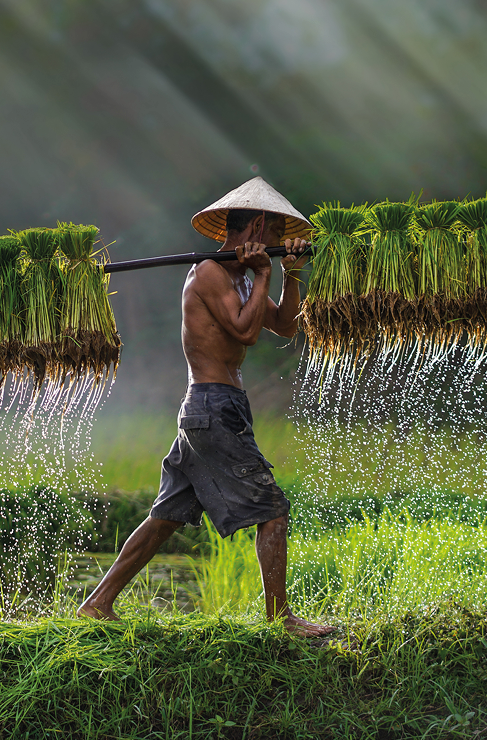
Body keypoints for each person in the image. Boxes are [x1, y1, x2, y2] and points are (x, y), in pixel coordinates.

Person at [78, 177, 334, 638]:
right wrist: (264, 275)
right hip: (213, 408)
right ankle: (281, 620)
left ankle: (97, 603)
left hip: (214, 408)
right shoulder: (210, 273)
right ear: (256, 223)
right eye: (275, 231)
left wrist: (291, 273)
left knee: (166, 517)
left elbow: (284, 327)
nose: (278, 241)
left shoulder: (238, 275)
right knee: (272, 510)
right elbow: (246, 331)